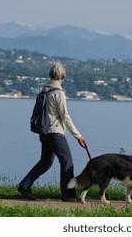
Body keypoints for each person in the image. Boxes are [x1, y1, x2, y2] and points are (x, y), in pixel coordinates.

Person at [18, 63, 85, 202]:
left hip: (44, 132)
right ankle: (68, 195)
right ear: (62, 76)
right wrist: (78, 136)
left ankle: (24, 186)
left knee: (45, 162)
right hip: (55, 133)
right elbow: (65, 116)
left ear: (50, 74)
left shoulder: (44, 91)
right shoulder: (58, 93)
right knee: (67, 161)